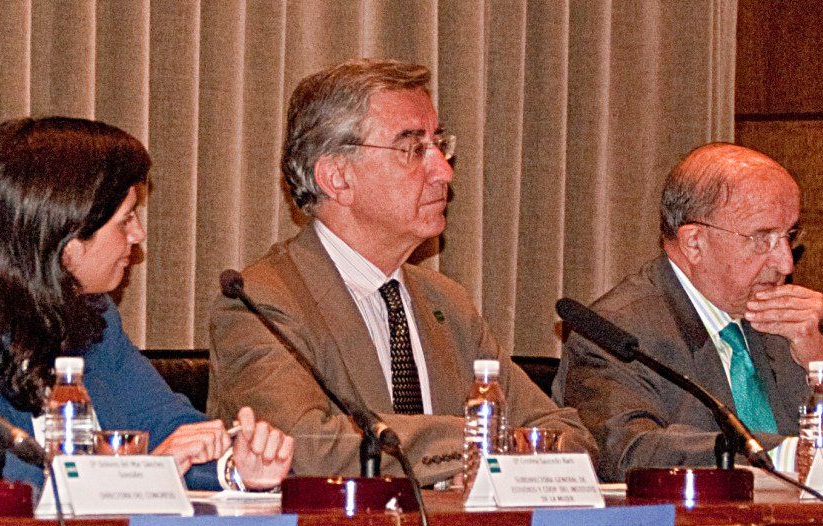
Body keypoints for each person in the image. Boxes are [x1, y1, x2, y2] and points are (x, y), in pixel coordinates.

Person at [0, 117, 293, 498]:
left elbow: (167, 426)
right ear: (64, 235)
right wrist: (130, 478)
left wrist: (235, 466)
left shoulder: (93, 318)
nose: (138, 236)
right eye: (125, 219)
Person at [208, 58, 595, 485]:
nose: (444, 171)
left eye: (439, 145)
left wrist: (486, 450)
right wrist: (479, 441)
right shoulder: (261, 302)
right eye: (412, 149)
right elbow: (309, 447)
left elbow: (570, 438)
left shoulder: (447, 303)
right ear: (337, 178)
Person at [558, 143, 823, 481]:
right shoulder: (617, 332)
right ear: (694, 243)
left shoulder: (783, 320)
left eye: (789, 235)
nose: (786, 262)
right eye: (762, 238)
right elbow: (627, 451)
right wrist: (787, 455)